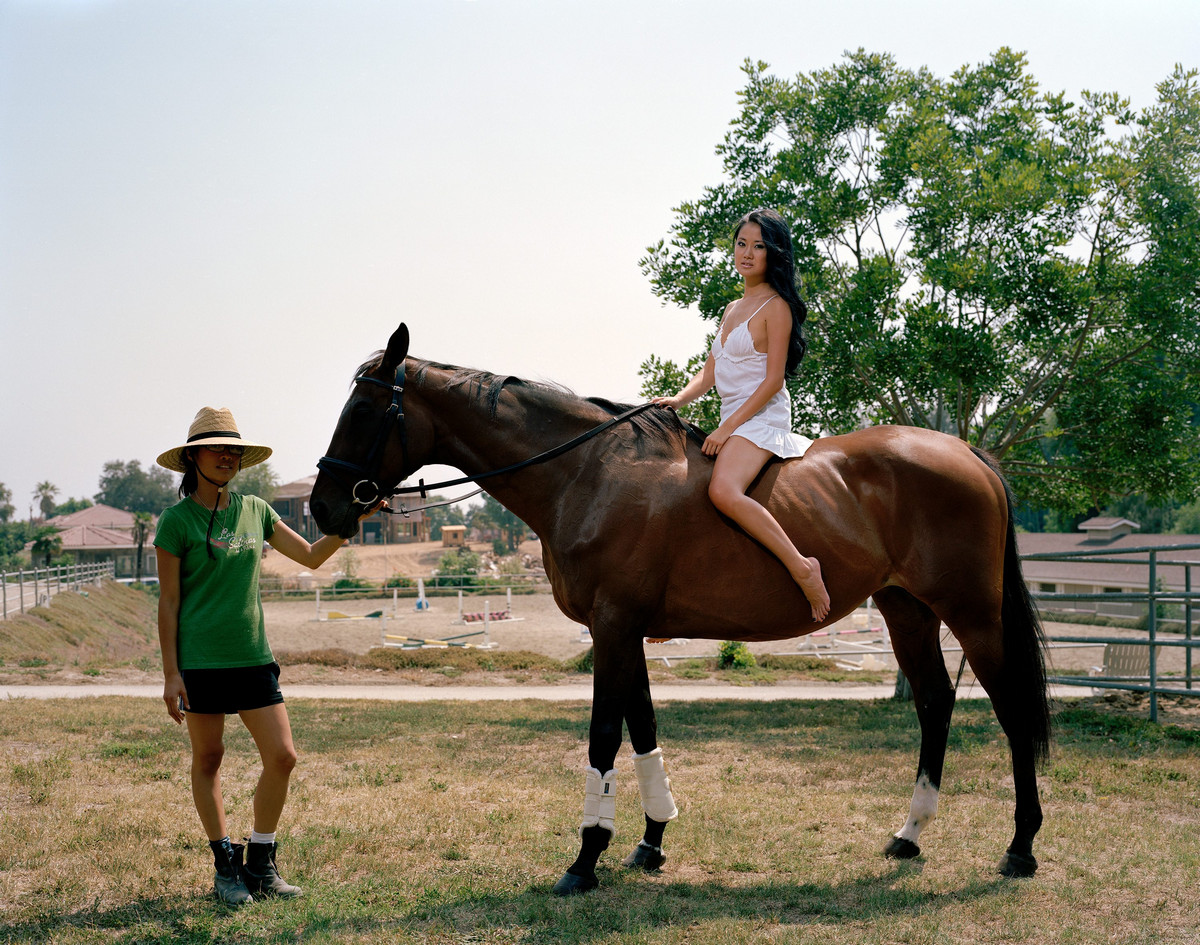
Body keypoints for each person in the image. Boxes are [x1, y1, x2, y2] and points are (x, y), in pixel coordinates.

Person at [155, 406, 382, 906]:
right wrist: (171, 674)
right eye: (216, 448)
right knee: (209, 758)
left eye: (234, 449)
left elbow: (310, 556)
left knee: (283, 756)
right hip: (200, 662)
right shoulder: (175, 522)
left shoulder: (257, 510)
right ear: (193, 457)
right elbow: (169, 601)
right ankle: (225, 866)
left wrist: (351, 520)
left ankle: (260, 862)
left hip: (253, 657)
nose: (227, 456)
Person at [653, 208, 830, 622]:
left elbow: (772, 381)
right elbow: (709, 373)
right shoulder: (732, 307)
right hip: (732, 421)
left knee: (723, 492)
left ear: (774, 255)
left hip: (762, 420)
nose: (747, 253)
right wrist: (677, 400)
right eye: (741, 244)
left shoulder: (776, 307)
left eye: (759, 246)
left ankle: (803, 567)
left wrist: (726, 428)